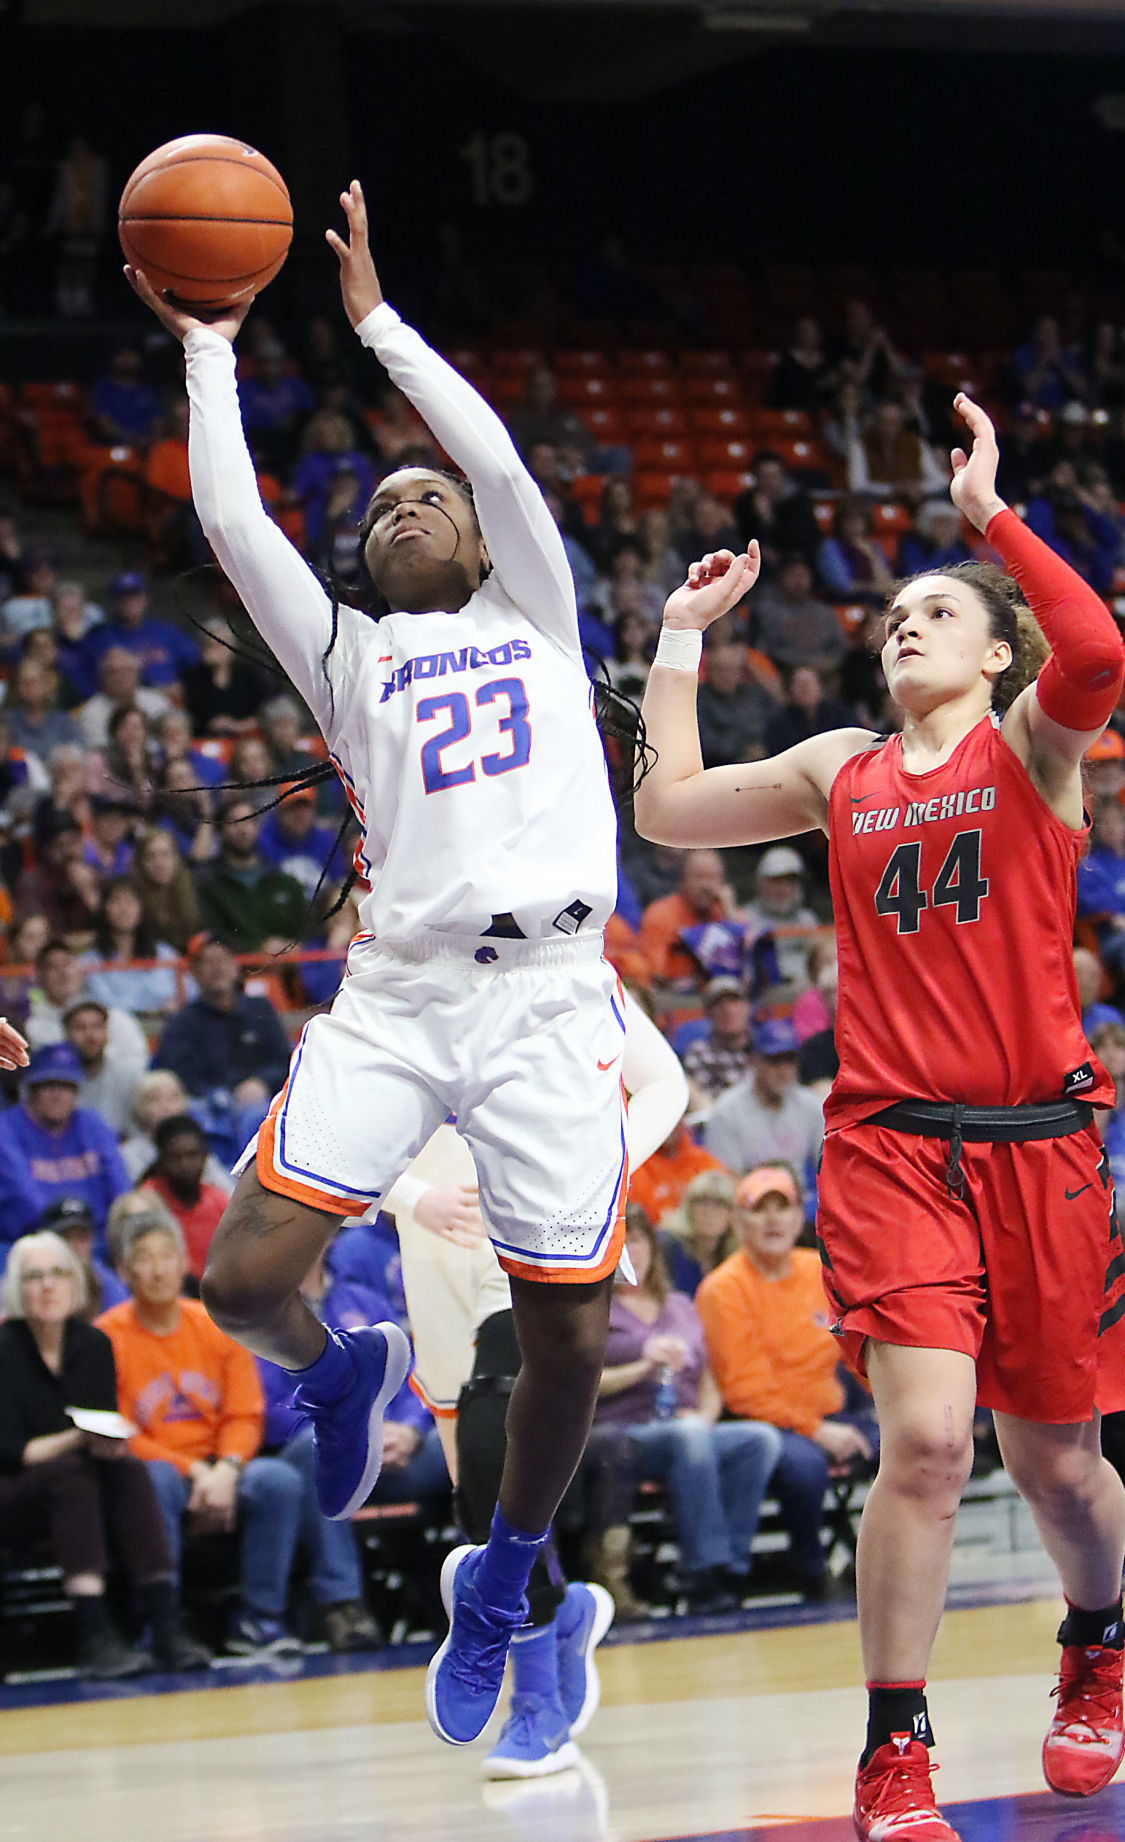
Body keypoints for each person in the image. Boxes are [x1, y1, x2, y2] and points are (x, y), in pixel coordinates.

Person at [126, 176, 642, 1752]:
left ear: (486, 538)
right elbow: (231, 521)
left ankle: (508, 1577)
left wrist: (377, 330)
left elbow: (484, 448)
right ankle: (342, 1372)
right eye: (378, 508)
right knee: (239, 1278)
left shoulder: (544, 611)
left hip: (553, 995)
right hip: (406, 990)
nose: (404, 505)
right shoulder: (350, 658)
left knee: (567, 1336)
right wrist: (212, 347)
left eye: (429, 499)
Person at [634, 389, 1125, 1834]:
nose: (904, 625)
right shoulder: (837, 767)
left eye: (937, 611)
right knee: (921, 1441)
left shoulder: (1036, 745)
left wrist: (988, 520)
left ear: (992, 651)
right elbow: (665, 808)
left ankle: (1095, 1636)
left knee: (1060, 1464)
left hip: (1041, 1147)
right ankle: (892, 1744)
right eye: (894, 612)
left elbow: (1098, 646)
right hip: (893, 1143)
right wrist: (680, 638)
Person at [0, 1229, 208, 1676]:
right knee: (71, 1475)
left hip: (82, 1482)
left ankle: (166, 1625)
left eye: (58, 1273)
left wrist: (104, 1443)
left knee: (130, 1470)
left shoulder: (93, 1344)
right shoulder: (4, 1349)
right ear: (18, 1289)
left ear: (75, 1283)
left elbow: (105, 1424)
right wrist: (80, 1438)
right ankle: (94, 1633)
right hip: (15, 1489)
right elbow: (12, 1452)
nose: (48, 1285)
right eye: (34, 1277)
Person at [97, 1211, 305, 1657]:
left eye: (166, 1256)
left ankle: (258, 1620)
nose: (157, 1270)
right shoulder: (106, 1338)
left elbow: (245, 1415)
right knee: (154, 1481)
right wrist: (194, 1471)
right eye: (144, 1259)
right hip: (160, 1473)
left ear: (183, 1263)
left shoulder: (214, 1325)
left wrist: (227, 1470)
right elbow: (117, 1431)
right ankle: (161, 1623)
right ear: (123, 1271)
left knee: (277, 1481)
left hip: (220, 1470)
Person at [697, 1164, 874, 1600]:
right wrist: (818, 1431)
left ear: (800, 1217)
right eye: (760, 1210)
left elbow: (856, 1352)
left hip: (832, 1411)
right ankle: (811, 1571)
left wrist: (887, 1404)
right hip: (766, 1425)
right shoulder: (723, 1289)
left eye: (784, 1208)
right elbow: (743, 1390)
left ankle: (876, 1562)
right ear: (737, 1223)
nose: (773, 1220)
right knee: (805, 1466)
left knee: (912, 1441)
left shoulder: (819, 1270)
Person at [594, 1202, 782, 1611]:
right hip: (624, 1433)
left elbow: (707, 1376)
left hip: (687, 1426)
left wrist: (705, 1415)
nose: (633, 1252)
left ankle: (732, 1565)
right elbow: (580, 1388)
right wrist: (644, 1365)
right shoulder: (593, 1310)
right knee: (690, 1438)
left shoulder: (679, 1305)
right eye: (622, 1243)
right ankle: (703, 1571)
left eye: (639, 1241)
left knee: (759, 1440)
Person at [0, 1042, 130, 1251]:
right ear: (31, 1089)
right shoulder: (7, 1128)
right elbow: (25, 1200)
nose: (57, 1094)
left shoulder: (92, 1124)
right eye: (48, 1085)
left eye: (66, 1086)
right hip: (28, 1243)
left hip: (96, 1243)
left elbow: (121, 1190)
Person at [701, 1018, 824, 1182]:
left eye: (789, 1061)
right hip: (748, 1201)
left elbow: (829, 1169)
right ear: (753, 1062)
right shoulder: (727, 1111)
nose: (784, 1071)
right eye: (774, 1061)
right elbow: (726, 1183)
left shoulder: (810, 1105)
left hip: (799, 1200)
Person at [194, 795, 308, 954]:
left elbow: (306, 934)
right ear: (221, 831)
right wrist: (256, 950)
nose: (243, 829)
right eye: (234, 822)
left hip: (286, 971)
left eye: (249, 820)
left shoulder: (285, 883)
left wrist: (290, 947)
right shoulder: (209, 886)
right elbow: (211, 936)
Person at [140, 1114, 230, 1283]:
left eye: (192, 1155)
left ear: (205, 1156)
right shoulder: (146, 1203)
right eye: (175, 1157)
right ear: (161, 1160)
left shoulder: (219, 1201)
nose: (185, 1165)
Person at [63, 995, 144, 1137]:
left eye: (97, 1027)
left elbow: (138, 1133)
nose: (90, 1035)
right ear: (67, 1034)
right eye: (81, 1028)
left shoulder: (129, 1075)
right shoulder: (55, 1080)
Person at [657, 1168, 739, 1298]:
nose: (709, 1212)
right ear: (688, 1208)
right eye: (702, 1201)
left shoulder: (734, 1257)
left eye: (719, 1203)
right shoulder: (666, 1246)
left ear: (731, 1213)